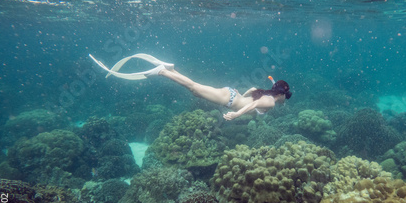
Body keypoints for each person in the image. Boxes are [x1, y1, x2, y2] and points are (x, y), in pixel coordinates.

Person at [89, 53, 292, 121]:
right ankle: (164, 71)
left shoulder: (266, 93)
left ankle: (170, 69)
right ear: (281, 95)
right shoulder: (271, 102)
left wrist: (242, 95)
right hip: (228, 100)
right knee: (194, 88)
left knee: (194, 87)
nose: (284, 101)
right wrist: (237, 114)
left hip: (231, 94)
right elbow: (252, 105)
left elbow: (253, 92)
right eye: (286, 97)